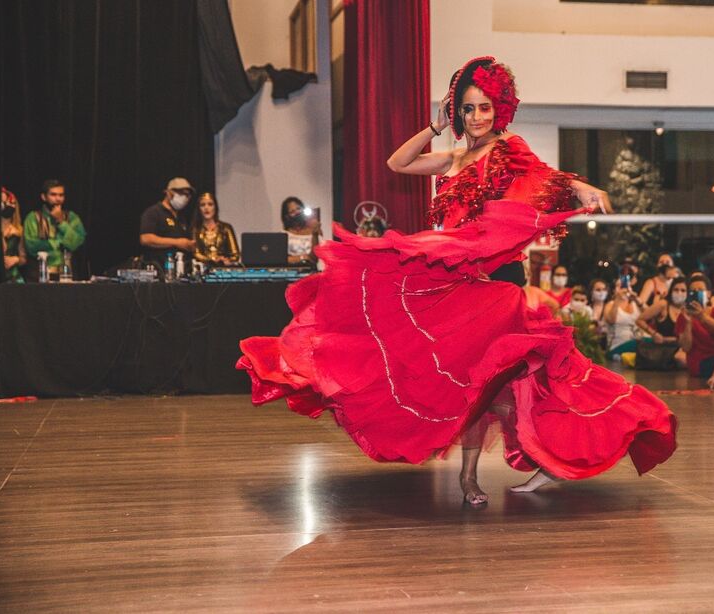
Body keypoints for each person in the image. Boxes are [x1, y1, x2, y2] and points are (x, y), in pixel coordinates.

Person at [238, 56, 676, 507]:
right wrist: (435, 125)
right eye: (468, 109)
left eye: (485, 107)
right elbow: (397, 162)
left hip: (496, 281)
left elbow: (545, 176)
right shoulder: (453, 157)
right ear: (457, 113)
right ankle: (490, 472)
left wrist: (581, 188)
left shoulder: (508, 150)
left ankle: (547, 453)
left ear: (500, 107)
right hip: (457, 279)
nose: (478, 116)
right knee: (474, 382)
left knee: (497, 381)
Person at [23, 179, 86, 280]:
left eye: (61, 195)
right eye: (53, 195)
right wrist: (58, 242)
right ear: (44, 197)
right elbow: (32, 247)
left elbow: (77, 243)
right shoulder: (33, 217)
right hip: (39, 276)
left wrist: (61, 222)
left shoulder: (72, 217)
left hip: (67, 275)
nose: (58, 199)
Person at [677, 275, 714, 379]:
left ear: (708, 294)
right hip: (699, 363)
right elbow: (686, 347)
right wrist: (688, 323)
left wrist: (702, 317)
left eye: (700, 290)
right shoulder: (684, 316)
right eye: (692, 291)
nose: (696, 293)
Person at [140, 177, 196, 267]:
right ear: (169, 193)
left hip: (178, 268)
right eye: (181, 193)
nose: (185, 198)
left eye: (187, 195)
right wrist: (177, 242)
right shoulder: (154, 212)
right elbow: (146, 239)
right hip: (158, 268)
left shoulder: (181, 217)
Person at [637, 276, 687, 369]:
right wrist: (653, 333)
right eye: (676, 290)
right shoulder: (663, 304)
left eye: (683, 290)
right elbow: (640, 319)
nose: (679, 293)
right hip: (663, 349)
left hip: (681, 349)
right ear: (670, 291)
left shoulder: (690, 309)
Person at [191, 192, 240, 265]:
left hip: (224, 268)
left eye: (210, 204)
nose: (206, 208)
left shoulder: (226, 228)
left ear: (215, 207)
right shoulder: (196, 229)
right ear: (199, 209)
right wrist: (212, 260)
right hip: (204, 268)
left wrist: (225, 259)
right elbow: (196, 253)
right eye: (202, 205)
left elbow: (235, 254)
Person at [604, 268, 643, 359]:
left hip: (636, 344)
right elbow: (611, 320)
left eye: (625, 285)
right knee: (642, 342)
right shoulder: (610, 305)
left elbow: (650, 316)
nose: (623, 288)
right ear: (614, 290)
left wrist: (637, 300)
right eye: (619, 286)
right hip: (616, 347)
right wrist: (617, 299)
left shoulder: (635, 304)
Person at [281, 196, 321, 265]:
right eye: (292, 211)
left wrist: (315, 234)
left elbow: (315, 258)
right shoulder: (284, 234)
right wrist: (302, 257)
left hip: (314, 270)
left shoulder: (314, 231)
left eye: (298, 209)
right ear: (287, 216)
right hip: (292, 271)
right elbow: (282, 259)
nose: (297, 213)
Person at [0, 187, 27, 283]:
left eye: (9, 202)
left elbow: (24, 258)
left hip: (14, 278)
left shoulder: (19, 231)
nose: (7, 205)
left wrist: (15, 259)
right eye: (3, 202)